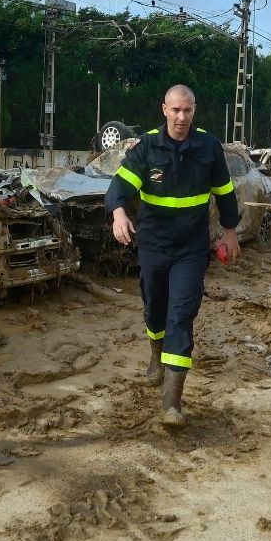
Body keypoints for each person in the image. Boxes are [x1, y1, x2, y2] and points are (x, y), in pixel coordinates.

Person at [104, 84, 240, 427]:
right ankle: (156, 355)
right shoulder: (147, 146)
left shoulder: (208, 146)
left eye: (188, 111)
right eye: (175, 110)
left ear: (195, 111)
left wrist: (230, 232)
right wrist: (119, 215)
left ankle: (172, 402)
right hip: (153, 244)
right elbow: (119, 187)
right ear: (164, 109)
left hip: (191, 249)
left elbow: (224, 192)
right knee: (155, 307)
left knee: (181, 314)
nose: (182, 117)